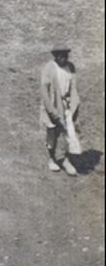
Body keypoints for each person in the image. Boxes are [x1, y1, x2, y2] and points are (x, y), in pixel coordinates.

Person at [40, 44, 81, 176]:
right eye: (61, 56)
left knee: (68, 131)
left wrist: (74, 104)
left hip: (66, 105)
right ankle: (52, 158)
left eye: (66, 55)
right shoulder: (49, 68)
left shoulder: (71, 67)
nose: (64, 58)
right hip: (52, 105)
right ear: (56, 56)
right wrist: (52, 111)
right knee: (52, 132)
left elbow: (73, 88)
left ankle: (66, 160)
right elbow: (44, 92)